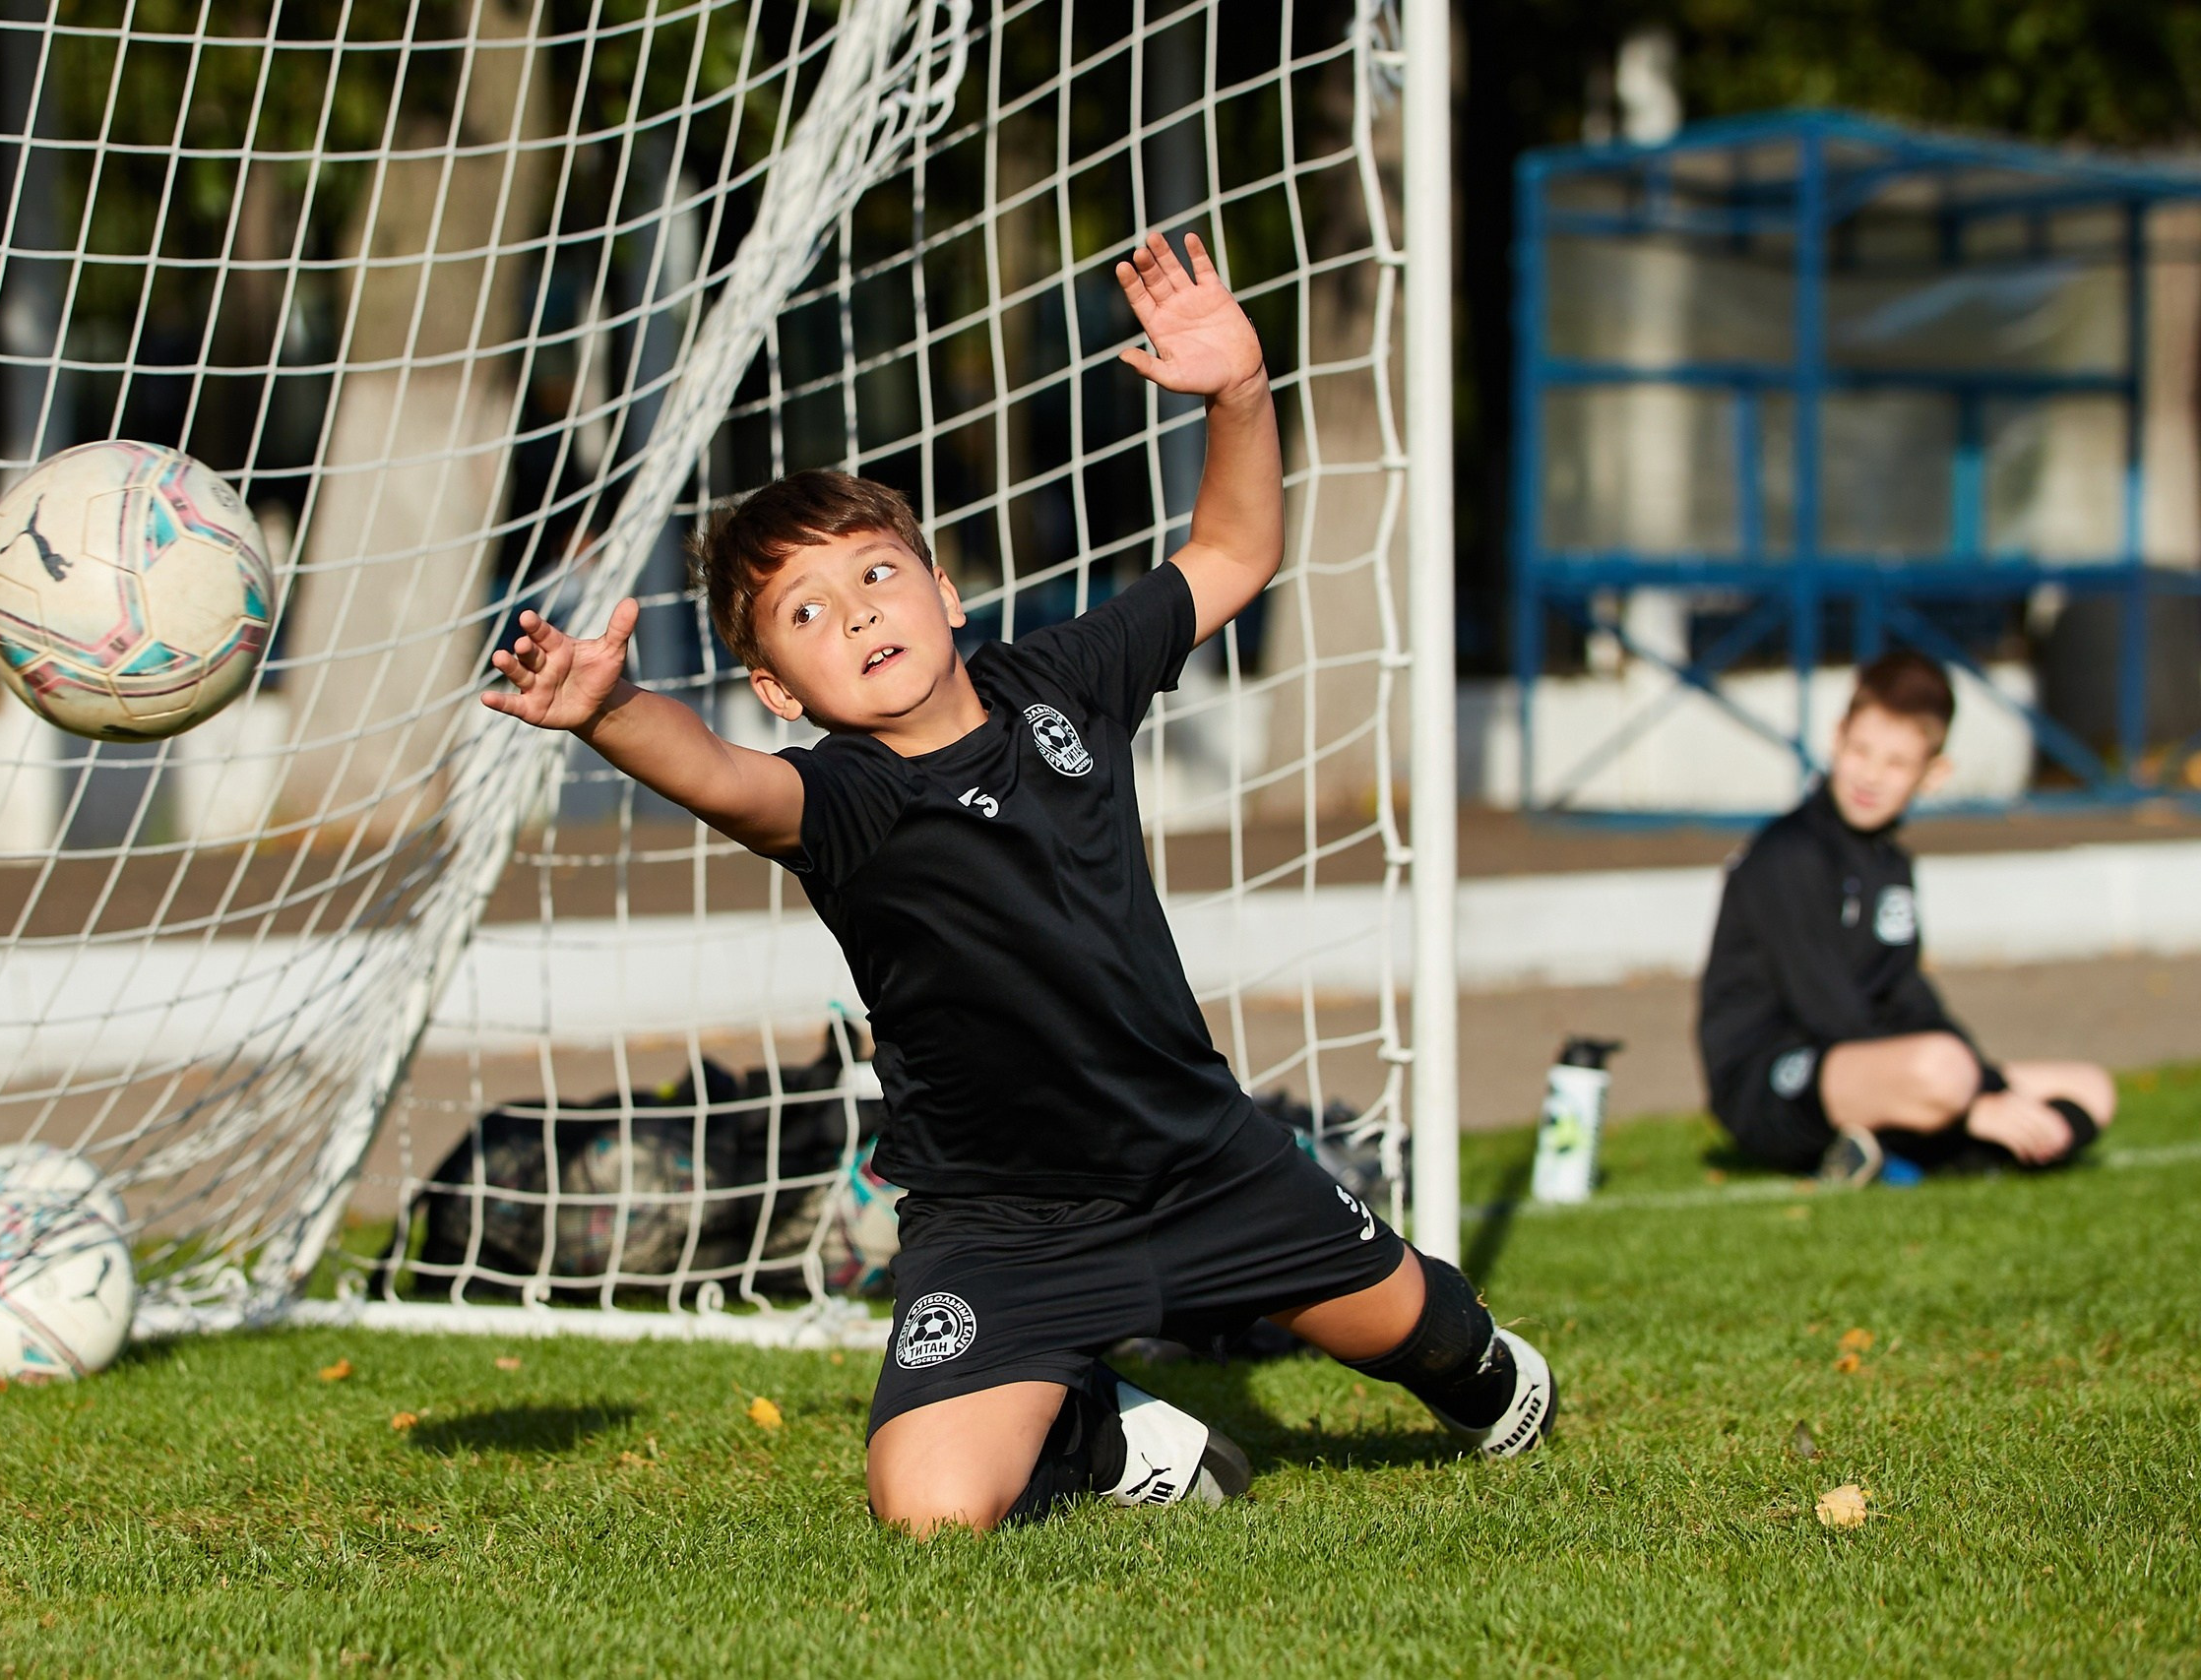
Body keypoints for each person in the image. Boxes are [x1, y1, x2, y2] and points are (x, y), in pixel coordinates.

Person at [481, 231, 1553, 1533]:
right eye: (806, 613)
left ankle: (1478, 1364)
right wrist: (613, 712)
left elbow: (1230, 553)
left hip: (1209, 1161)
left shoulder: (1063, 679)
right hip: (1005, 1222)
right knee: (931, 1509)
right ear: (778, 688)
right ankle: (1108, 1431)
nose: (860, 612)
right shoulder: (845, 801)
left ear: (943, 587)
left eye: (876, 573)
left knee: (1433, 1342)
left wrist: (1238, 392)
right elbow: (720, 776)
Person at [1697, 652, 2116, 1186]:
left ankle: (1896, 1154)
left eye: (1896, 763)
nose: (1870, 776)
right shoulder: (1789, 855)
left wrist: (1986, 1084)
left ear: (1934, 774)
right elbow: (1829, 1011)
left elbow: (1907, 995)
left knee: (2090, 1090)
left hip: (1886, 1065)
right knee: (1942, 1071)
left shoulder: (1889, 863)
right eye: (1861, 751)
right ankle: (1944, 1142)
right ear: (1836, 737)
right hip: (1778, 1078)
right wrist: (1970, 1102)